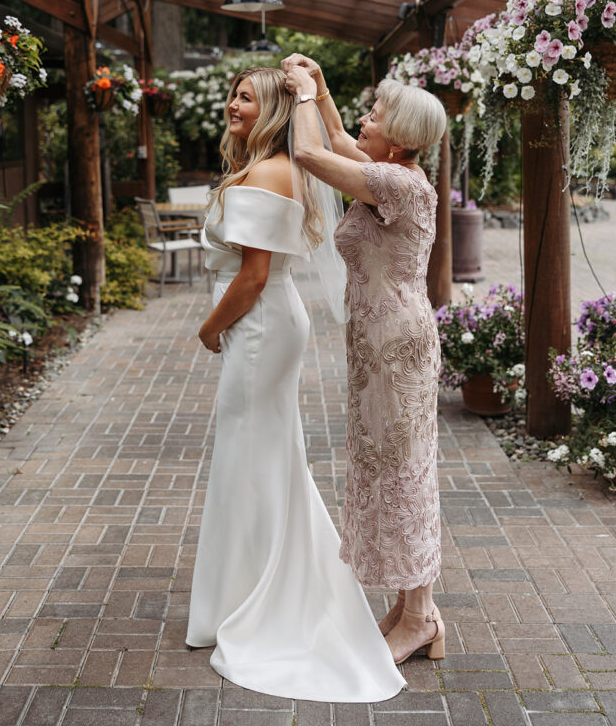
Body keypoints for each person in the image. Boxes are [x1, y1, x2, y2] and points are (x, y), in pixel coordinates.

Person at [186, 66, 404, 702]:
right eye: (231, 92)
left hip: (258, 324)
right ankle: (246, 587)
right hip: (272, 322)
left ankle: (251, 596)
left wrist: (207, 329)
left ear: (277, 110)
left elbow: (253, 276)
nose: (232, 103)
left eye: (246, 97)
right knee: (262, 456)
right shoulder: (277, 170)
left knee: (249, 455)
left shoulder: (264, 173)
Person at [282, 54, 447, 666]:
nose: (362, 120)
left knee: (407, 474)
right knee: (394, 469)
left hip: (397, 348)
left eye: (373, 115)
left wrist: (299, 95)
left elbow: (310, 153)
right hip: (378, 347)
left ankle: (422, 617)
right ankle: (411, 609)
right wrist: (321, 88)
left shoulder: (398, 184)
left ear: (399, 138)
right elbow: (344, 142)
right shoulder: (389, 171)